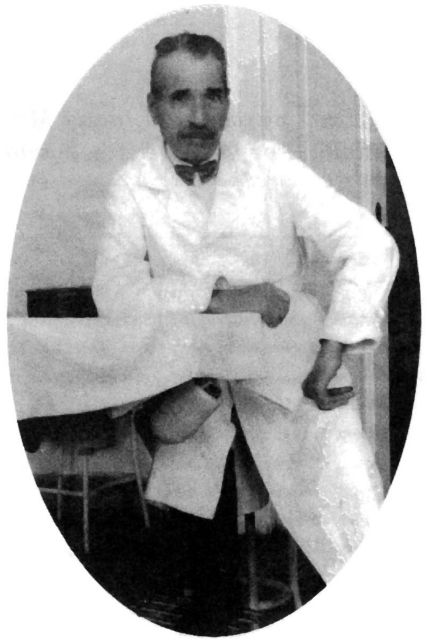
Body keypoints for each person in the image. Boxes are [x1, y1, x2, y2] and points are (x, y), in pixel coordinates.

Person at [92, 32, 398, 628]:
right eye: (180, 97)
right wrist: (223, 297)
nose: (199, 115)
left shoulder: (270, 166)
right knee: (205, 572)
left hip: (290, 377)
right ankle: (214, 608)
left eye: (213, 96)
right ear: (153, 106)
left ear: (229, 101)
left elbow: (370, 242)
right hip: (194, 384)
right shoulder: (133, 183)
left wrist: (333, 347)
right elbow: (116, 294)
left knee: (353, 530)